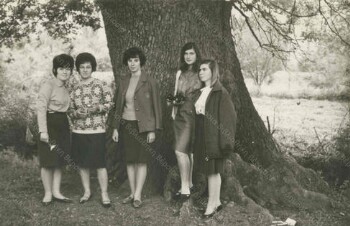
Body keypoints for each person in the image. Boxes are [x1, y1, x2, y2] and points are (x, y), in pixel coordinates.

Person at [112, 47, 162, 208]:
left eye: (135, 60)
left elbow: (156, 107)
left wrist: (153, 129)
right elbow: (117, 106)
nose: (132, 64)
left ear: (141, 62)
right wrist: (115, 128)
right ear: (126, 63)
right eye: (130, 60)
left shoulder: (150, 81)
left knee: (141, 161)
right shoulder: (123, 81)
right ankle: (132, 193)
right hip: (126, 125)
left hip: (143, 127)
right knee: (130, 160)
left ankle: (138, 195)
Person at [193, 59, 237, 218]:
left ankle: (211, 206)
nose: (201, 72)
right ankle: (216, 202)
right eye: (199, 70)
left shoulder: (220, 93)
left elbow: (228, 119)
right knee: (209, 170)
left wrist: (226, 142)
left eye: (204, 69)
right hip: (203, 137)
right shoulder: (201, 91)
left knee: (213, 171)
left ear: (213, 71)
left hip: (215, 138)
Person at [69, 52, 113, 208]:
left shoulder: (101, 85)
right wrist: (76, 113)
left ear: (92, 68)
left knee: (100, 163)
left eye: (88, 67)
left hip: (97, 130)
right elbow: (70, 109)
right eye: (82, 67)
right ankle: (87, 192)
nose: (85, 70)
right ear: (78, 69)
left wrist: (98, 107)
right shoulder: (73, 87)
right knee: (82, 164)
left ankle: (104, 193)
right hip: (79, 130)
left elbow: (110, 103)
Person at [37, 54, 74, 205]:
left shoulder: (65, 87)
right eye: (61, 68)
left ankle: (57, 191)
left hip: (63, 124)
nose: (65, 71)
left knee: (60, 159)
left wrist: (76, 113)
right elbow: (41, 108)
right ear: (55, 69)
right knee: (48, 159)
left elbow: (66, 109)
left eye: (68, 68)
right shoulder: (48, 85)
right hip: (50, 124)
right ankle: (47, 194)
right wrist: (43, 131)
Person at [169, 42, 201, 200]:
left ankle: (185, 189)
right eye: (186, 53)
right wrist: (173, 110)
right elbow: (176, 92)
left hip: (193, 114)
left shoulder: (200, 72)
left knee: (181, 151)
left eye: (192, 53)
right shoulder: (180, 72)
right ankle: (188, 184)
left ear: (197, 55)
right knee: (185, 150)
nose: (188, 57)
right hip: (180, 114)